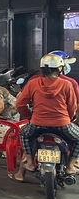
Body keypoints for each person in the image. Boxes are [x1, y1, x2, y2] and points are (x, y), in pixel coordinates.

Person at [12, 54, 79, 182]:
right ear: (60, 68)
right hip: (62, 124)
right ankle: (70, 166)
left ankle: (30, 163)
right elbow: (72, 107)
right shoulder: (67, 84)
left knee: (24, 134)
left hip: (37, 124)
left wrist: (30, 116)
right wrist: (68, 118)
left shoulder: (33, 83)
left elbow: (20, 104)